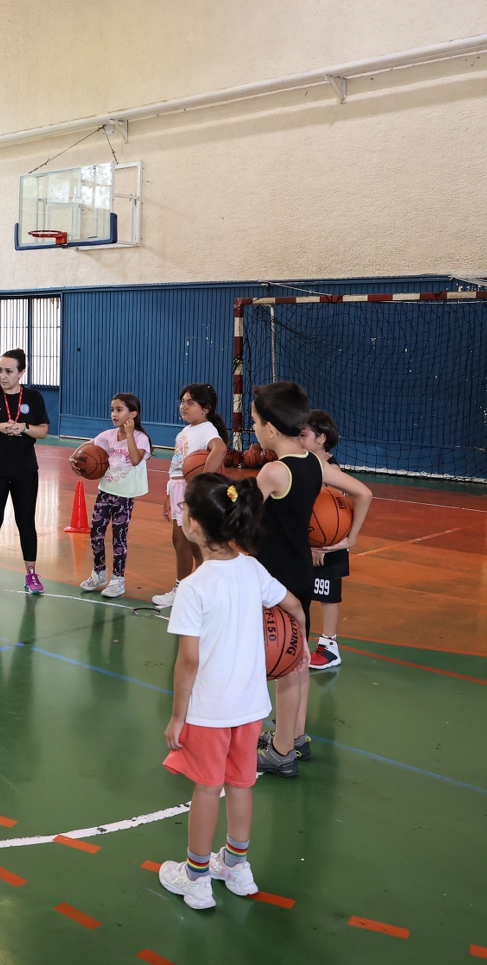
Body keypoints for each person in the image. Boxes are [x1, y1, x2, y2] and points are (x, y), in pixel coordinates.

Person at [157, 473, 304, 910]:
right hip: (250, 707)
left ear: (195, 525)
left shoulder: (194, 587)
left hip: (209, 710)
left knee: (207, 790)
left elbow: (188, 661)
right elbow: (293, 605)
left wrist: (178, 716)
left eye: (184, 508)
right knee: (241, 785)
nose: (181, 513)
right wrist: (299, 644)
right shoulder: (252, 568)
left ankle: (196, 877)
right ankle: (237, 867)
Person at [250, 383, 371, 778]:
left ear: (270, 429)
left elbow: (240, 518)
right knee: (298, 656)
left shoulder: (274, 471)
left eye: (255, 422)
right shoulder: (315, 464)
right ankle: (295, 736)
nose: (255, 428)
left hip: (274, 578)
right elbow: (364, 494)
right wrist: (349, 539)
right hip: (301, 571)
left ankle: (281, 750)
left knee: (284, 663)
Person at [0, 349, 51, 594]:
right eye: (0, 371)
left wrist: (23, 427)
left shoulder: (33, 397)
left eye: (8, 371)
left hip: (25, 470)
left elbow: (42, 431)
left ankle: (31, 574)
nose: (3, 376)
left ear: (21, 372)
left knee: (25, 521)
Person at [302, 410, 371, 670]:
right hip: (308, 540)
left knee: (327, 595)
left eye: (304, 434)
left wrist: (326, 545)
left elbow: (330, 513)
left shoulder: (330, 469)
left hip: (327, 544)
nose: (299, 439)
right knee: (303, 591)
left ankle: (329, 646)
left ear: (321, 438)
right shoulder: (305, 463)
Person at [154, 383, 228, 608]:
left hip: (190, 489)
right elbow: (176, 468)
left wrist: (202, 481)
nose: (184, 406)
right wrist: (169, 496)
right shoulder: (184, 432)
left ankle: (183, 589)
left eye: (191, 402)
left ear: (206, 408)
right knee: (191, 543)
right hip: (178, 489)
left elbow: (220, 449)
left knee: (184, 541)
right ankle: (201, 588)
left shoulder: (206, 428)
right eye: (183, 402)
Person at [80, 392, 152, 599]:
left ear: (133, 414)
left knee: (119, 538)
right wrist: (73, 458)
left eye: (119, 410)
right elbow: (90, 444)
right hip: (105, 492)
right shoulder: (108, 435)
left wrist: (129, 434)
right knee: (96, 533)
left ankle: (118, 579)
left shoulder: (140, 438)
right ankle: (99, 572)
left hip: (124, 497)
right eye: (112, 409)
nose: (114, 414)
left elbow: (136, 459)